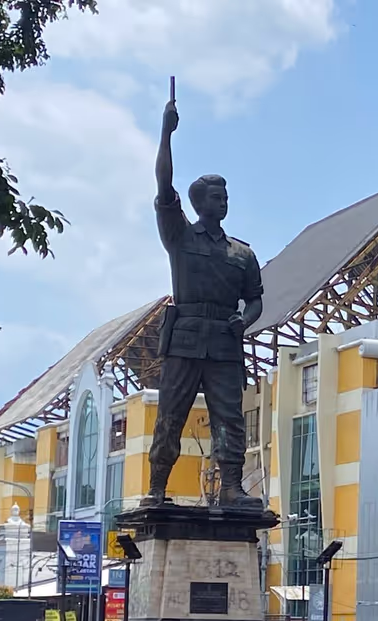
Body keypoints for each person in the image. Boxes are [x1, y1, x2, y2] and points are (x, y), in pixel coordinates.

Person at [140, 91, 265, 510]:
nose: (223, 202)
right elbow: (163, 183)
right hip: (186, 339)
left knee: (230, 418)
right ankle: (157, 488)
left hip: (225, 344)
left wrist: (245, 321)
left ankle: (231, 487)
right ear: (198, 203)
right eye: (216, 197)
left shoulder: (242, 254)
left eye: (226, 198)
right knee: (171, 415)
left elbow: (255, 300)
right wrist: (166, 133)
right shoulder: (179, 236)